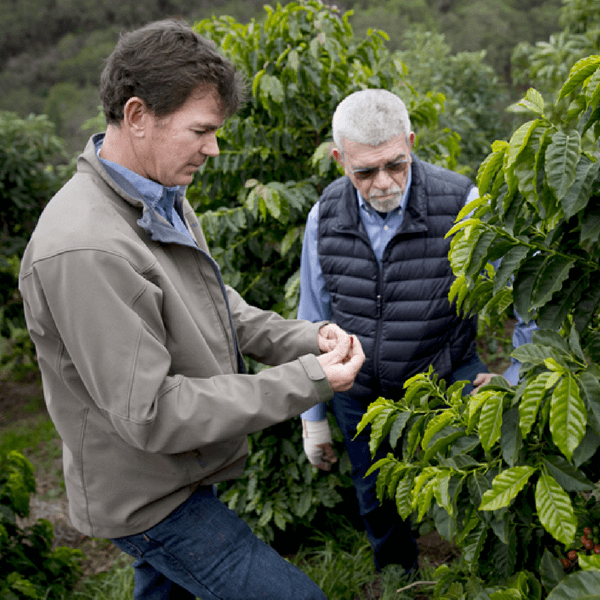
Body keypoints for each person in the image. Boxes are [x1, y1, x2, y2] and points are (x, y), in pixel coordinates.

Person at [18, 19, 365, 600]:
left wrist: (308, 339)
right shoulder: (86, 249)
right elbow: (151, 412)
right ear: (137, 116)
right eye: (201, 131)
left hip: (177, 472)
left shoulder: (155, 196)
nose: (214, 148)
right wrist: (308, 380)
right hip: (150, 498)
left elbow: (212, 307)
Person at [298, 89, 492, 573]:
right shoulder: (324, 216)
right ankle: (397, 575)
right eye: (365, 171)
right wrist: (312, 417)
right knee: (375, 491)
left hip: (445, 375)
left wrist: (519, 372)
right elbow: (312, 316)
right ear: (340, 160)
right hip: (360, 390)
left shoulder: (461, 201)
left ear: (410, 142)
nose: (383, 182)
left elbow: (522, 286)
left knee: (475, 483)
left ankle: (476, 576)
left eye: (396, 165)